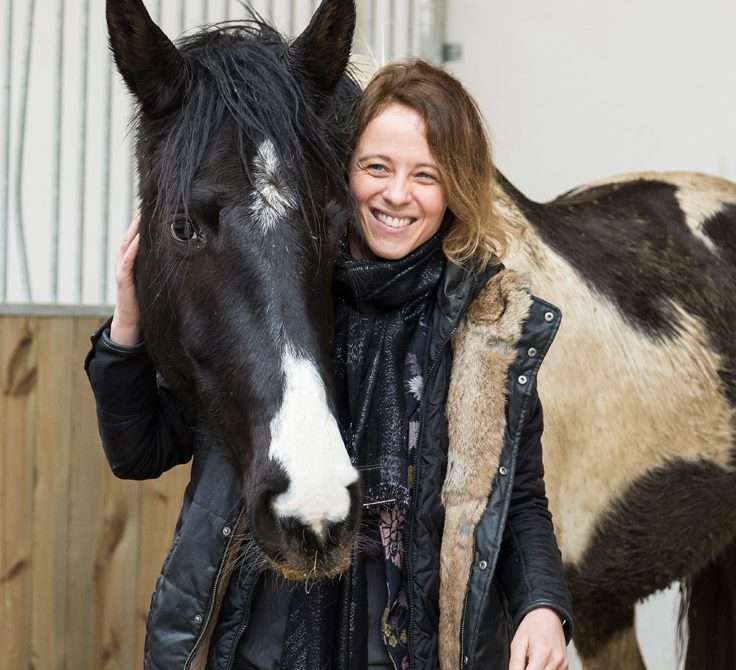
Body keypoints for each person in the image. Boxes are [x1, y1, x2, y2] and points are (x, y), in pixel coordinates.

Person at [86, 60, 572, 670]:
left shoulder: (484, 332)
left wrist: (542, 608)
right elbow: (139, 450)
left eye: (426, 175)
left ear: (456, 188)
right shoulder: (279, 306)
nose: (397, 194)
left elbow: (519, 497)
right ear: (342, 172)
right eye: (377, 168)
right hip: (262, 646)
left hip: (400, 649)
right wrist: (126, 328)